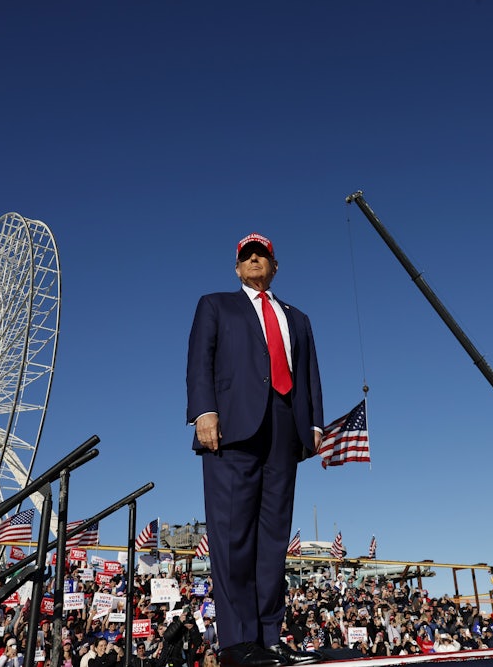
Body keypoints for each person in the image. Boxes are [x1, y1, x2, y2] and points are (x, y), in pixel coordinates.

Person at [187, 234, 324, 667]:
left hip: (285, 429)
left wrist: (315, 423)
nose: (253, 261)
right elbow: (199, 360)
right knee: (232, 537)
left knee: (273, 539)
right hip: (232, 429)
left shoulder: (297, 317)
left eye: (261, 255)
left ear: (275, 265)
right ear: (236, 267)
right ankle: (237, 642)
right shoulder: (215, 305)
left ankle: (269, 638)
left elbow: (309, 373)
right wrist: (204, 412)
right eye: (246, 256)